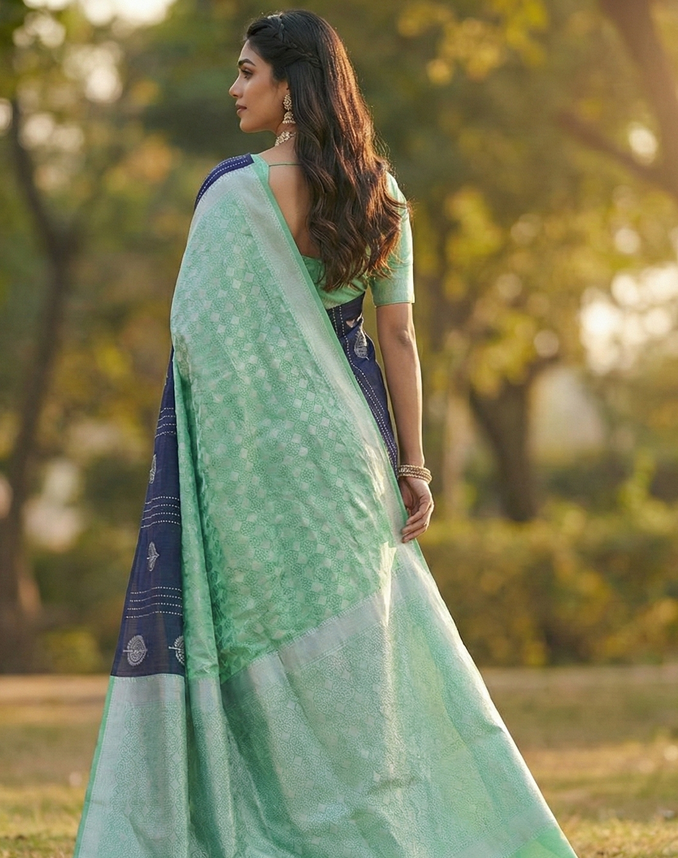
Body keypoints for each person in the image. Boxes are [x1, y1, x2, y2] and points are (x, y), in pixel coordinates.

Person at [73, 10, 579, 858]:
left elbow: (197, 342)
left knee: (258, 656)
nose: (234, 88)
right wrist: (412, 468)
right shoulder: (380, 196)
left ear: (290, 85)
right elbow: (400, 341)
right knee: (362, 667)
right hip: (352, 461)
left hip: (254, 464)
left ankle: (270, 830)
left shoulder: (231, 197)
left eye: (247, 72)